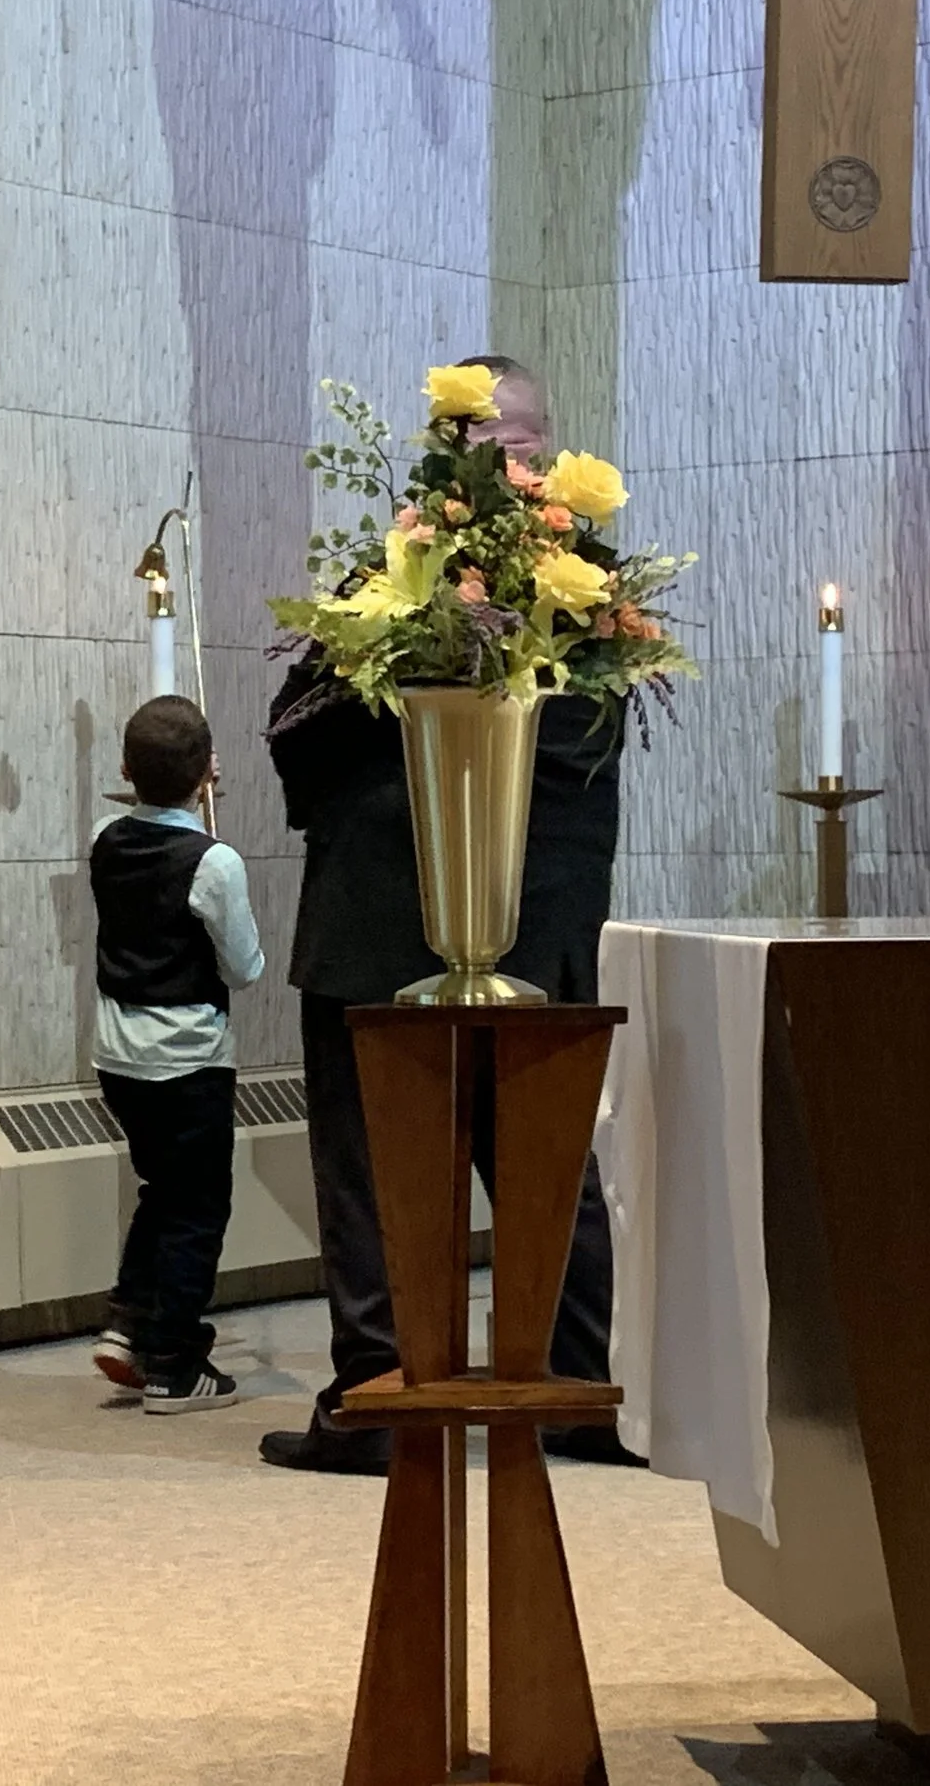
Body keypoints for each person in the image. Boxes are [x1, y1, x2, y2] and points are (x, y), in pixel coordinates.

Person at [260, 354, 636, 1476]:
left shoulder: (567, 593)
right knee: (421, 1180)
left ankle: (538, 1392)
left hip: (472, 924)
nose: (503, 459)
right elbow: (297, 728)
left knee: (516, 1180)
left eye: (516, 439)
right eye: (481, 439)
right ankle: (428, 1395)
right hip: (432, 921)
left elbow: (580, 759)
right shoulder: (414, 585)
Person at [87, 696, 267, 1414]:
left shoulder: (105, 838)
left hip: (118, 1058)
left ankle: (129, 1323)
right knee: (197, 1208)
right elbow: (244, 968)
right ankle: (174, 1364)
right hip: (188, 1059)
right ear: (207, 773)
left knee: (161, 1189)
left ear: (125, 770)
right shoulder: (214, 861)